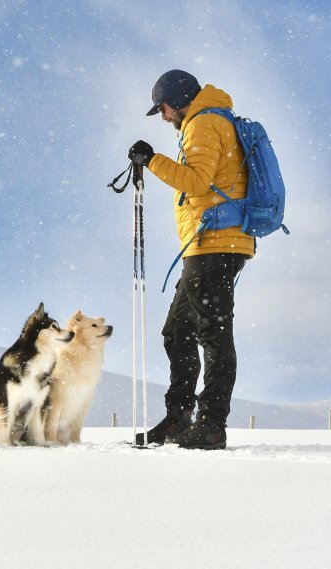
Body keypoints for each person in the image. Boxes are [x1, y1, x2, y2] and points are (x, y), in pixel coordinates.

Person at [127, 69, 253, 450]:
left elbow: (197, 182)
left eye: (163, 108)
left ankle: (211, 424)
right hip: (211, 243)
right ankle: (180, 416)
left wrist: (151, 160)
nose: (164, 116)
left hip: (216, 243)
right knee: (178, 330)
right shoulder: (208, 120)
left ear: (178, 100)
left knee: (212, 333)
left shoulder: (203, 123)